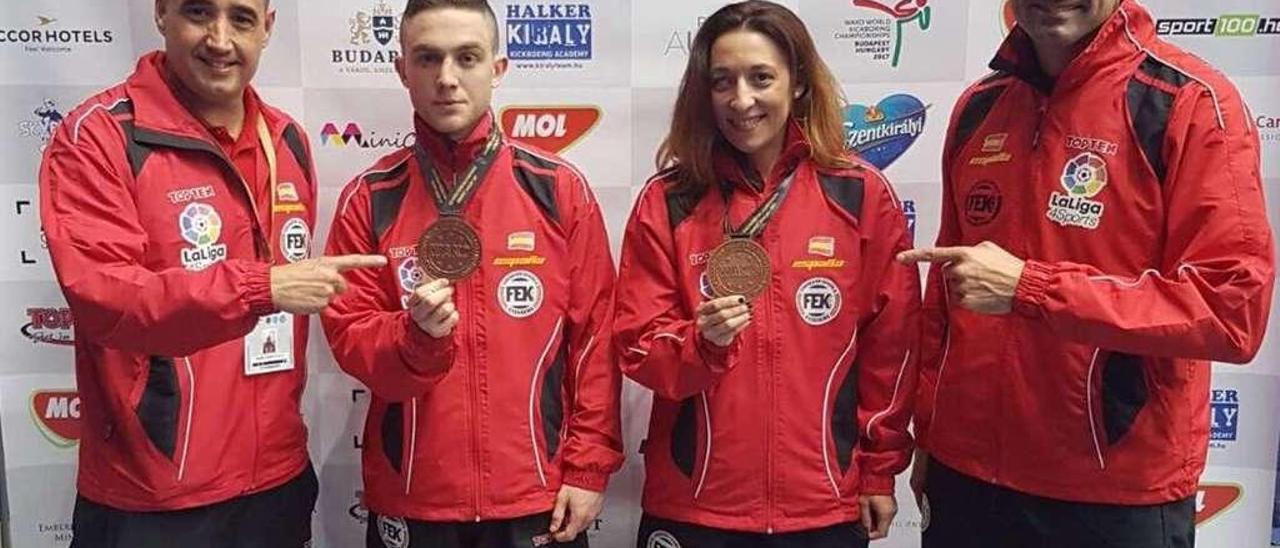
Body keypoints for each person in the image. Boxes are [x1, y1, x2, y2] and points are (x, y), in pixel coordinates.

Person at [900, 1, 1275, 546]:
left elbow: (1230, 310)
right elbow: (947, 297)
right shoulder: (980, 107)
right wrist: (931, 437)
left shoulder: (1186, 101)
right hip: (967, 480)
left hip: (1112, 495)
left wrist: (1034, 289)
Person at [38, 0, 385, 546]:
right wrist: (259, 286)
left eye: (242, 18)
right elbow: (106, 297)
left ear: (267, 28)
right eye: (199, 13)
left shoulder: (287, 139)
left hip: (276, 480)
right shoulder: (101, 137)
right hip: (155, 498)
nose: (221, 40)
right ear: (160, 14)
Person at [614, 2, 920, 546]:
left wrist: (878, 469)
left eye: (761, 78)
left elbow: (890, 348)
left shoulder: (859, 193)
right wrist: (699, 344)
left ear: (798, 83)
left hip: (823, 502)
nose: (742, 100)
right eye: (722, 81)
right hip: (696, 503)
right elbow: (637, 346)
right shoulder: (670, 200)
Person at [319, 1, 623, 547]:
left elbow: (595, 343)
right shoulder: (371, 198)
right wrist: (415, 338)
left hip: (536, 496)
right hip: (415, 497)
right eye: (428, 58)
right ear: (401, 70)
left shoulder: (557, 190)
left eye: (467, 57)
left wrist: (587, 468)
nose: (447, 79)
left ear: (498, 68)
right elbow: (349, 337)